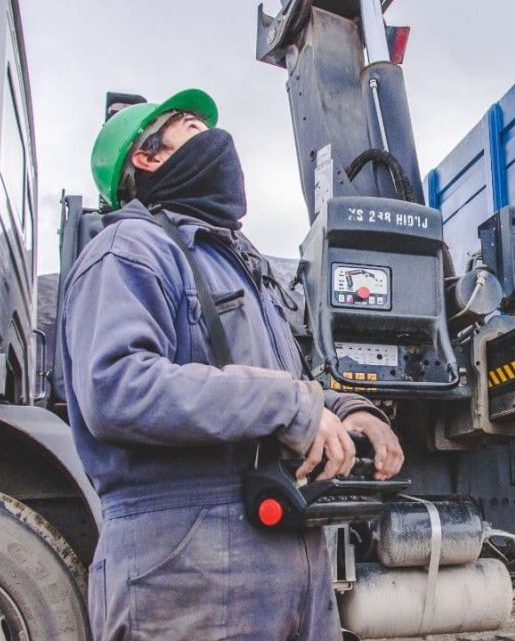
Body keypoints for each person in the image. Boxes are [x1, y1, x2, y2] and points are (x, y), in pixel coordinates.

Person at [61, 88, 404, 641]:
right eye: (194, 130)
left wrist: (349, 409)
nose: (219, 145)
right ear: (147, 157)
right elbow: (116, 387)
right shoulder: (130, 250)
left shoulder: (241, 268)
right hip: (186, 566)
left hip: (284, 554)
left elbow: (291, 383)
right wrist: (290, 405)